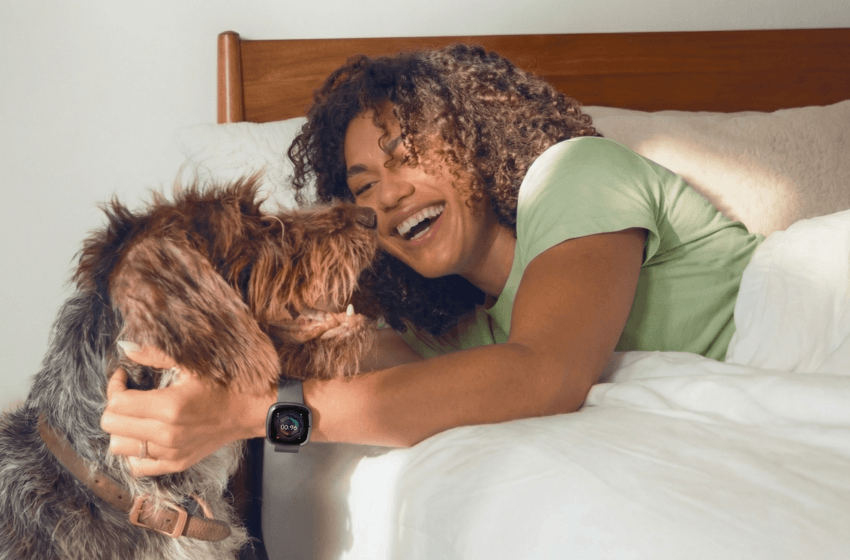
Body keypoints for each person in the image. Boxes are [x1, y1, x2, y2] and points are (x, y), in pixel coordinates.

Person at [100, 45, 763, 476]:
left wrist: (253, 418)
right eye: (361, 187)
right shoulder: (455, 340)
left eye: (407, 155)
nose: (386, 197)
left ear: (478, 140)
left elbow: (545, 377)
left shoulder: (577, 176)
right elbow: (369, 372)